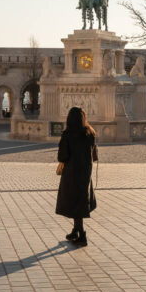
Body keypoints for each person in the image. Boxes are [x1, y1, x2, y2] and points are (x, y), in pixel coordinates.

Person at [55, 106, 98, 247]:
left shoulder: (68, 134)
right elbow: (94, 154)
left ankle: (82, 235)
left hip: (71, 173)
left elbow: (63, 156)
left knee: (74, 201)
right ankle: (75, 230)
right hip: (85, 171)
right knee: (80, 201)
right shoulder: (90, 133)